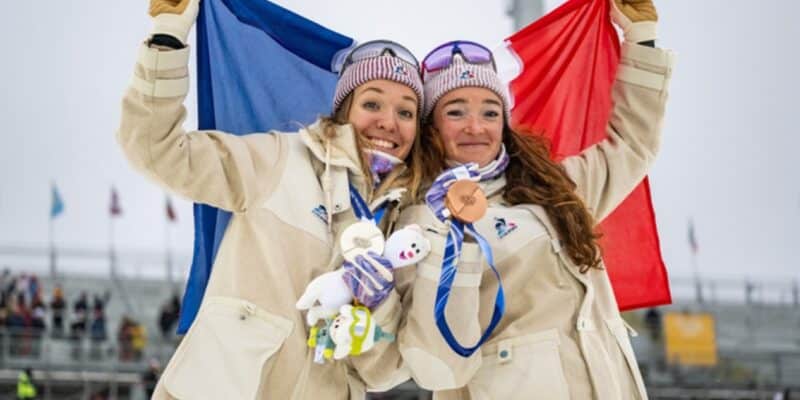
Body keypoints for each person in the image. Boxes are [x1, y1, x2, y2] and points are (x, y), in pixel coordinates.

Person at [118, 0, 424, 397]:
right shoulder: (279, 159)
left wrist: (377, 304)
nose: (388, 122)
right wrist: (167, 38)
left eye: (407, 112)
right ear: (344, 109)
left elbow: (383, 373)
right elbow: (155, 149)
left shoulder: (405, 227)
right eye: (372, 103)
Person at [395, 0, 673, 398]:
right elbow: (436, 357)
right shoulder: (419, 218)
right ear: (430, 128)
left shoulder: (556, 189)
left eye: (490, 113)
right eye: (456, 112)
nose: (476, 127)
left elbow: (632, 143)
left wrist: (642, 41)